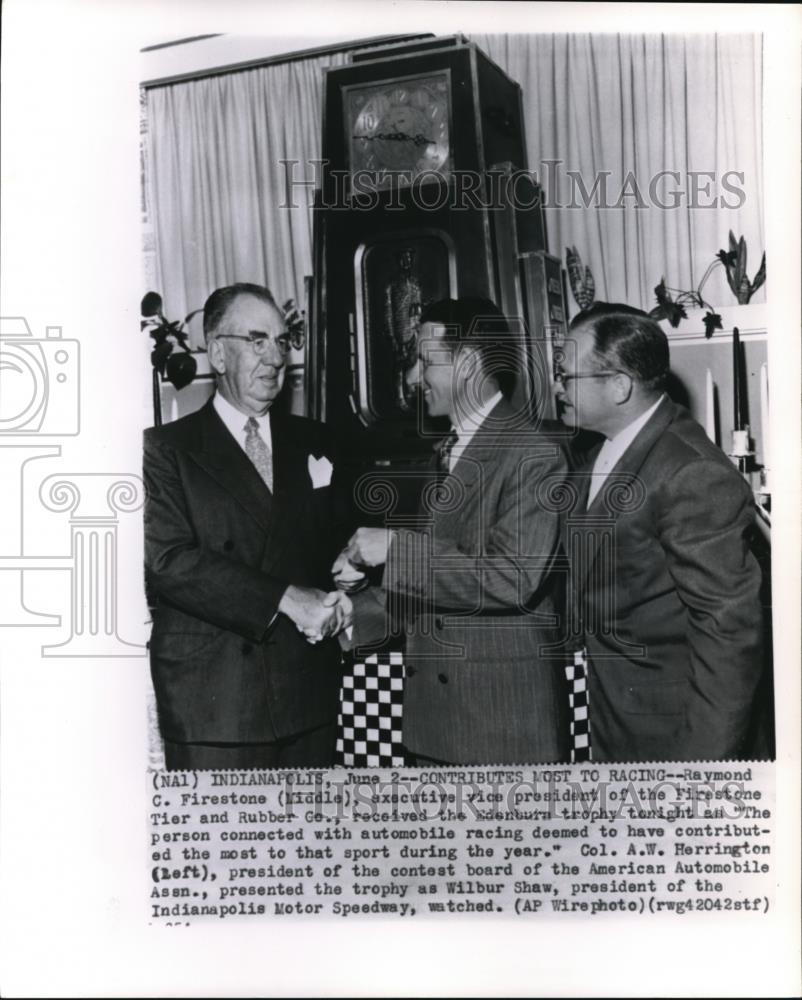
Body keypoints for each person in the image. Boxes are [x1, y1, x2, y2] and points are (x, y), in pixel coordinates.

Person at [341, 297, 571, 765]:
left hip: (501, 728)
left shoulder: (534, 453)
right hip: (436, 725)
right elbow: (437, 581)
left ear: (467, 363)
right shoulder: (448, 451)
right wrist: (347, 613)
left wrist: (395, 549)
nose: (411, 378)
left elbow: (512, 578)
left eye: (425, 362)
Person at [144, 282, 350, 770]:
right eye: (257, 341)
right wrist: (285, 597)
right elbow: (170, 562)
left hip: (307, 698)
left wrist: (347, 577)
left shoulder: (317, 441)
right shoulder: (166, 449)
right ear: (217, 353)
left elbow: (337, 544)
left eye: (282, 341)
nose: (275, 357)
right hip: (216, 706)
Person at [557, 304, 764, 761]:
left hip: (671, 736)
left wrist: (702, 774)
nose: (558, 388)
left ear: (618, 386)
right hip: (612, 717)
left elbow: (728, 633)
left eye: (567, 376)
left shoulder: (691, 473)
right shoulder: (600, 451)